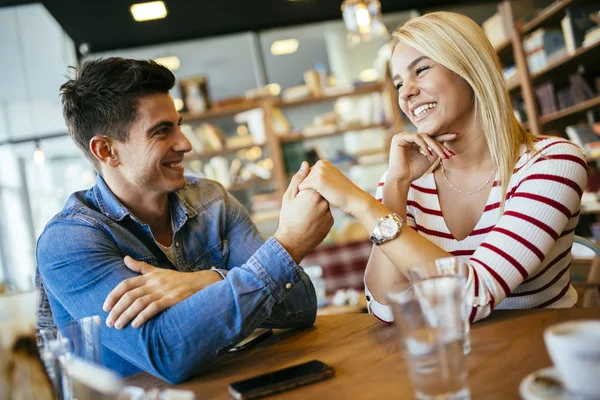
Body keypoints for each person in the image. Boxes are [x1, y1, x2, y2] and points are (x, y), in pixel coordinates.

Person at [36, 57, 333, 383]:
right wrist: (288, 244)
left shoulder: (211, 200)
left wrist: (206, 280)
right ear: (106, 151)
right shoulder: (69, 241)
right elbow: (166, 351)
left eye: (178, 124)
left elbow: (299, 307)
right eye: (162, 131)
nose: (185, 143)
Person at [298, 12, 587, 324]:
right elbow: (387, 308)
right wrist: (396, 184)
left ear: (470, 68)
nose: (405, 93)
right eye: (398, 84)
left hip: (539, 363)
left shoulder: (551, 161)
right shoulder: (405, 180)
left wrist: (360, 204)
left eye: (420, 70)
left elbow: (474, 295)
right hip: (455, 361)